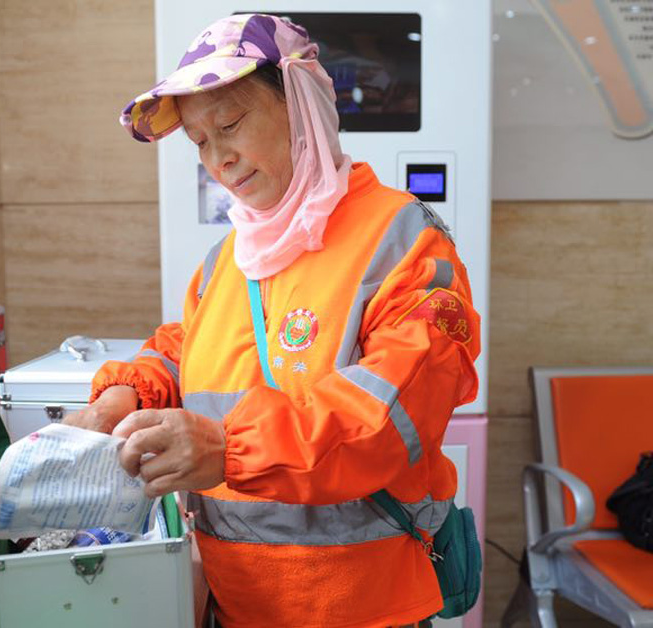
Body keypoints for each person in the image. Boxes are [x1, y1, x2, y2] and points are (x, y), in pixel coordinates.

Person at [64, 13, 480, 628]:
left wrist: (230, 448)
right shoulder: (227, 258)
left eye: (230, 124)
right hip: (235, 598)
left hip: (361, 606)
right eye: (200, 142)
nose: (219, 159)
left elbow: (394, 416)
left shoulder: (402, 241)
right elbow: (189, 349)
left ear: (301, 105)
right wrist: (127, 394)